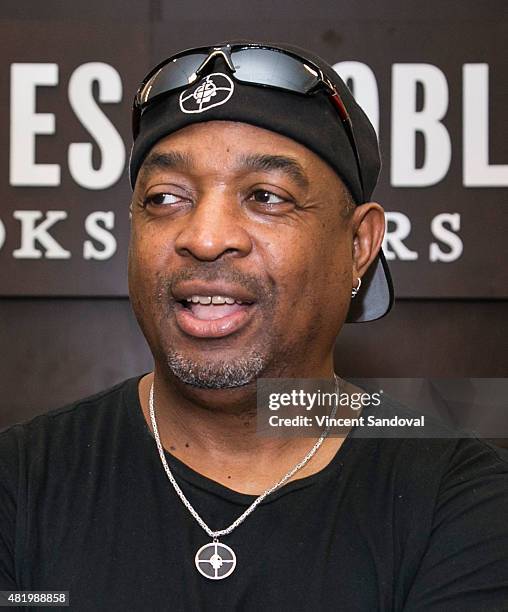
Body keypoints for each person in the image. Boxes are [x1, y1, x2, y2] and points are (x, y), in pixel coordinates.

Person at [1, 41, 507, 611]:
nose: (206, 236)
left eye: (266, 197)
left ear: (358, 244)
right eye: (165, 198)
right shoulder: (20, 483)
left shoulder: (461, 500)